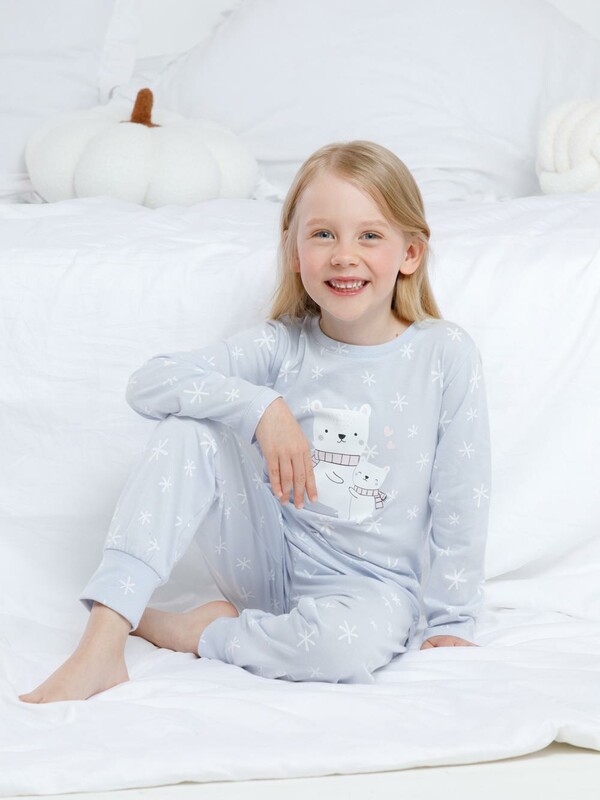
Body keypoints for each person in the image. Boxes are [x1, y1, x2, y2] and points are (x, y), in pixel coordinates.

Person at [19, 140, 491, 703]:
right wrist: (260, 408)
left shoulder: (444, 355)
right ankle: (103, 641)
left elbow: (462, 498)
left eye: (369, 235)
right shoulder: (281, 347)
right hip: (265, 567)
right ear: (293, 251)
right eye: (323, 234)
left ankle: (197, 633)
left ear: (410, 253)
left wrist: (451, 621)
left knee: (340, 650)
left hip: (371, 591)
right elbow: (149, 382)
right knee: (189, 428)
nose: (344, 255)